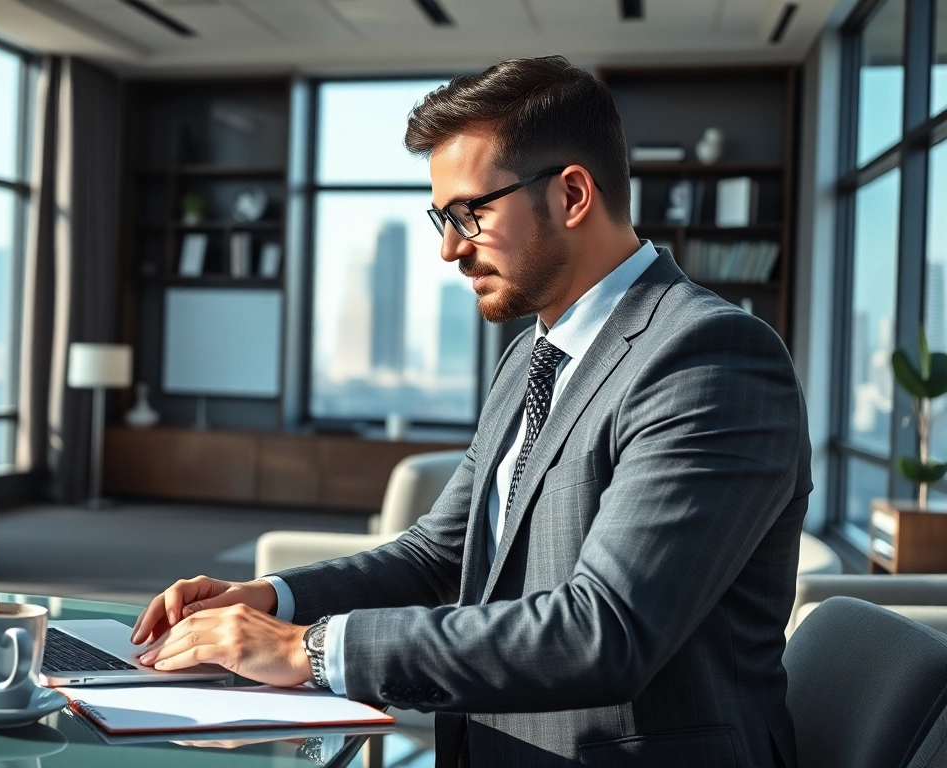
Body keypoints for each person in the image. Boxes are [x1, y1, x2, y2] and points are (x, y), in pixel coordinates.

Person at [130, 55, 811, 767]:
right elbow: (441, 555)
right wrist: (274, 598)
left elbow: (605, 632)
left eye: (470, 214)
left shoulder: (710, 355)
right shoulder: (531, 356)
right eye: (441, 218)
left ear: (572, 194)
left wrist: (307, 650)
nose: (451, 248)